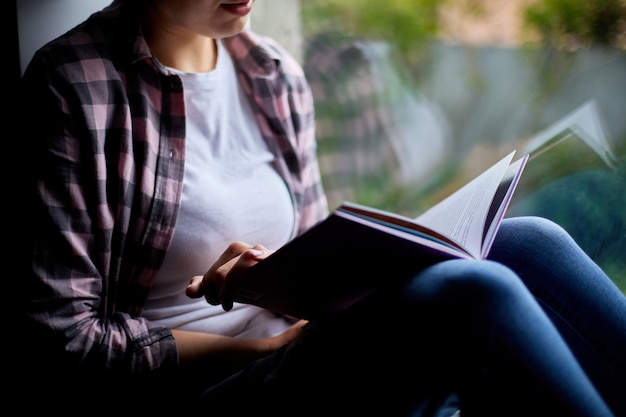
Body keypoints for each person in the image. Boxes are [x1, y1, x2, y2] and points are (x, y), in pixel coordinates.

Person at [16, 0, 626, 416]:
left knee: (528, 239)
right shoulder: (74, 84)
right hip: (205, 389)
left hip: (299, 349)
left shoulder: (273, 73)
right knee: (475, 291)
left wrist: (269, 278)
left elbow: (313, 258)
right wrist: (258, 348)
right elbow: (63, 342)